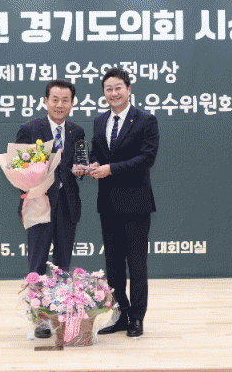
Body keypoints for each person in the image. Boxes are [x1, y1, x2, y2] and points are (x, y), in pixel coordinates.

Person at [87, 67, 159, 338]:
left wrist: (111, 169)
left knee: (137, 264)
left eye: (118, 87)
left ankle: (137, 317)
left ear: (129, 89)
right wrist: (92, 165)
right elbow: (97, 152)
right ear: (104, 93)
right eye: (108, 89)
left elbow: (147, 158)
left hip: (136, 203)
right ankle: (120, 314)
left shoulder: (146, 120)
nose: (113, 93)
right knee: (113, 265)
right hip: (108, 204)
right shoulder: (99, 121)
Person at [16, 79, 85, 338]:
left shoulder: (77, 131)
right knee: (37, 264)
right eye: (54, 99)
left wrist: (82, 170)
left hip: (68, 205)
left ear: (72, 103)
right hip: (39, 204)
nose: (59, 105)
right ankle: (40, 319)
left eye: (65, 100)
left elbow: (78, 163)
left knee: (62, 265)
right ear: (45, 101)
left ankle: (60, 314)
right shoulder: (30, 129)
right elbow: (19, 168)